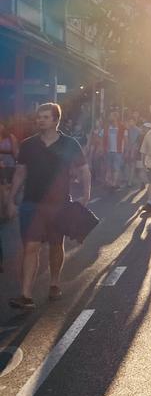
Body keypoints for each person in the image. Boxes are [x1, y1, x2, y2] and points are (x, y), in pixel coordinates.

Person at [8, 103, 91, 310]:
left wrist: (87, 195)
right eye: (39, 117)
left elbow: (84, 169)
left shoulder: (69, 144)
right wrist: (10, 199)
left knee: (56, 246)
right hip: (31, 203)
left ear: (55, 120)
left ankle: (54, 282)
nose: (40, 120)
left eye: (45, 117)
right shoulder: (28, 145)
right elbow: (20, 173)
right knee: (31, 247)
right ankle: (26, 295)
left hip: (59, 204)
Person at [0, 120, 19, 218]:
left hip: (10, 166)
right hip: (1, 167)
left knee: (8, 189)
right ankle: (4, 211)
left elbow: (16, 153)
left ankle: (9, 210)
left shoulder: (10, 137)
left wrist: (20, 165)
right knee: (3, 190)